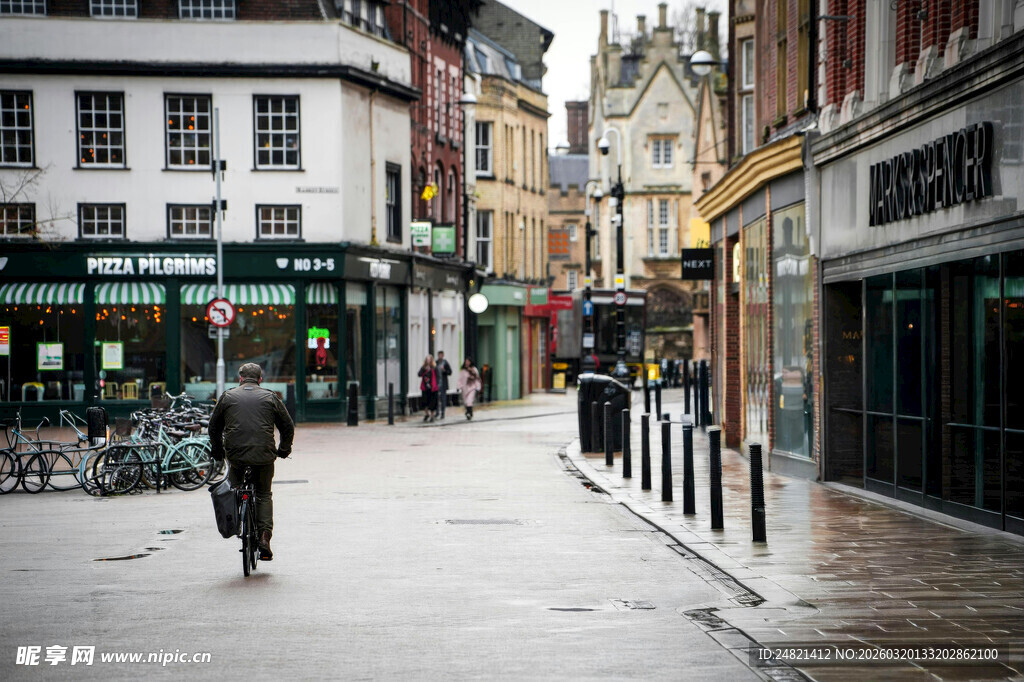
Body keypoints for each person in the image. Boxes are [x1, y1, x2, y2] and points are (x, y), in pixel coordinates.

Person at [208, 363, 294, 561]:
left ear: (240, 378)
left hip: (236, 456)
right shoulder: (271, 397)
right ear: (260, 379)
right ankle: (264, 537)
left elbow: (214, 427)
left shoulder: (228, 397)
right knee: (263, 494)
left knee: (233, 488)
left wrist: (218, 450)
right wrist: (283, 450)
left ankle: (236, 522)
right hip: (264, 455)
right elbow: (287, 426)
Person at [418, 354, 439, 422]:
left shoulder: (434, 367)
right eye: (427, 359)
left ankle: (432, 416)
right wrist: (424, 369)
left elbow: (438, 376)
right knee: (424, 402)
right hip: (425, 387)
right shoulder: (423, 367)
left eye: (429, 359)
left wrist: (437, 385)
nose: (428, 360)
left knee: (432, 402)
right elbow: (419, 374)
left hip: (432, 387)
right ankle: (427, 414)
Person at [435, 350, 453, 419]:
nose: (440, 356)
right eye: (439, 355)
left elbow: (450, 372)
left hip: (443, 384)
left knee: (443, 399)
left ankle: (443, 413)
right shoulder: (435, 363)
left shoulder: (445, 363)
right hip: (436, 384)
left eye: (441, 355)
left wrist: (444, 370)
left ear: (443, 355)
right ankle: (437, 412)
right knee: (436, 398)